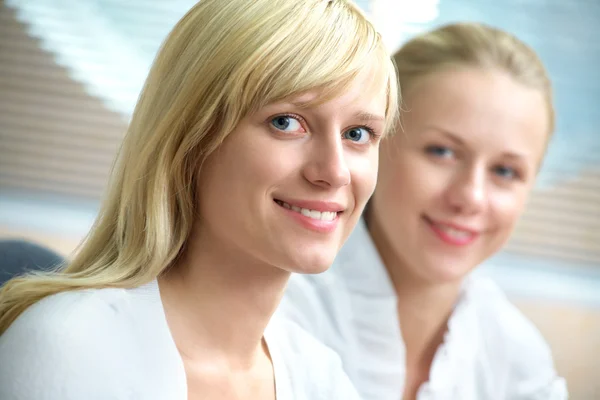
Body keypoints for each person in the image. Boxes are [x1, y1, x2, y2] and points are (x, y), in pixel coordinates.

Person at [0, 0, 399, 399]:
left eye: (358, 134)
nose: (335, 171)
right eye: (286, 122)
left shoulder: (323, 379)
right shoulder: (71, 349)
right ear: (190, 141)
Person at [278, 22, 568, 400]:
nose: (471, 197)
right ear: (374, 146)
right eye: (442, 152)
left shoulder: (517, 358)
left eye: (505, 171)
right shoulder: (281, 314)